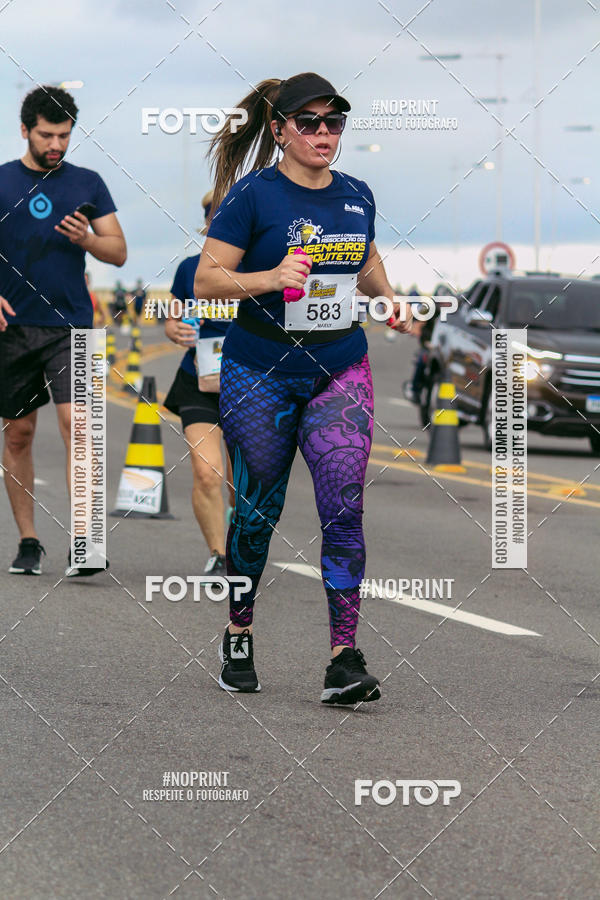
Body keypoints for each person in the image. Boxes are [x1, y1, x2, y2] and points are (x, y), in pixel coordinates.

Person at [195, 72, 412, 704]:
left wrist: (388, 297)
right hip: (259, 370)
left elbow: (364, 258)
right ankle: (239, 634)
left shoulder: (356, 194)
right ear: (280, 130)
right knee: (257, 511)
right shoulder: (252, 196)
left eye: (334, 122)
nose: (324, 133)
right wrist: (270, 276)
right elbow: (208, 280)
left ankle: (344, 658)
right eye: (310, 122)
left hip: (339, 365)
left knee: (344, 507)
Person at [0, 85, 127, 576]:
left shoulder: (87, 184)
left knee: (80, 426)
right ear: (25, 131)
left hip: (74, 326)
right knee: (18, 435)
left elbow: (118, 252)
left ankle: (85, 542)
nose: (56, 144)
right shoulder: (3, 181)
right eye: (46, 135)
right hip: (12, 329)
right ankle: (28, 541)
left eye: (64, 135)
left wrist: (89, 239)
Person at [164, 190, 235, 579]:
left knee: (244, 485)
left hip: (253, 388)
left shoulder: (262, 268)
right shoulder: (189, 269)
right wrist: (174, 329)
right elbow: (173, 319)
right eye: (214, 220)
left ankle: (242, 547)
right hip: (198, 382)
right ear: (206, 224)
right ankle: (218, 554)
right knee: (207, 471)